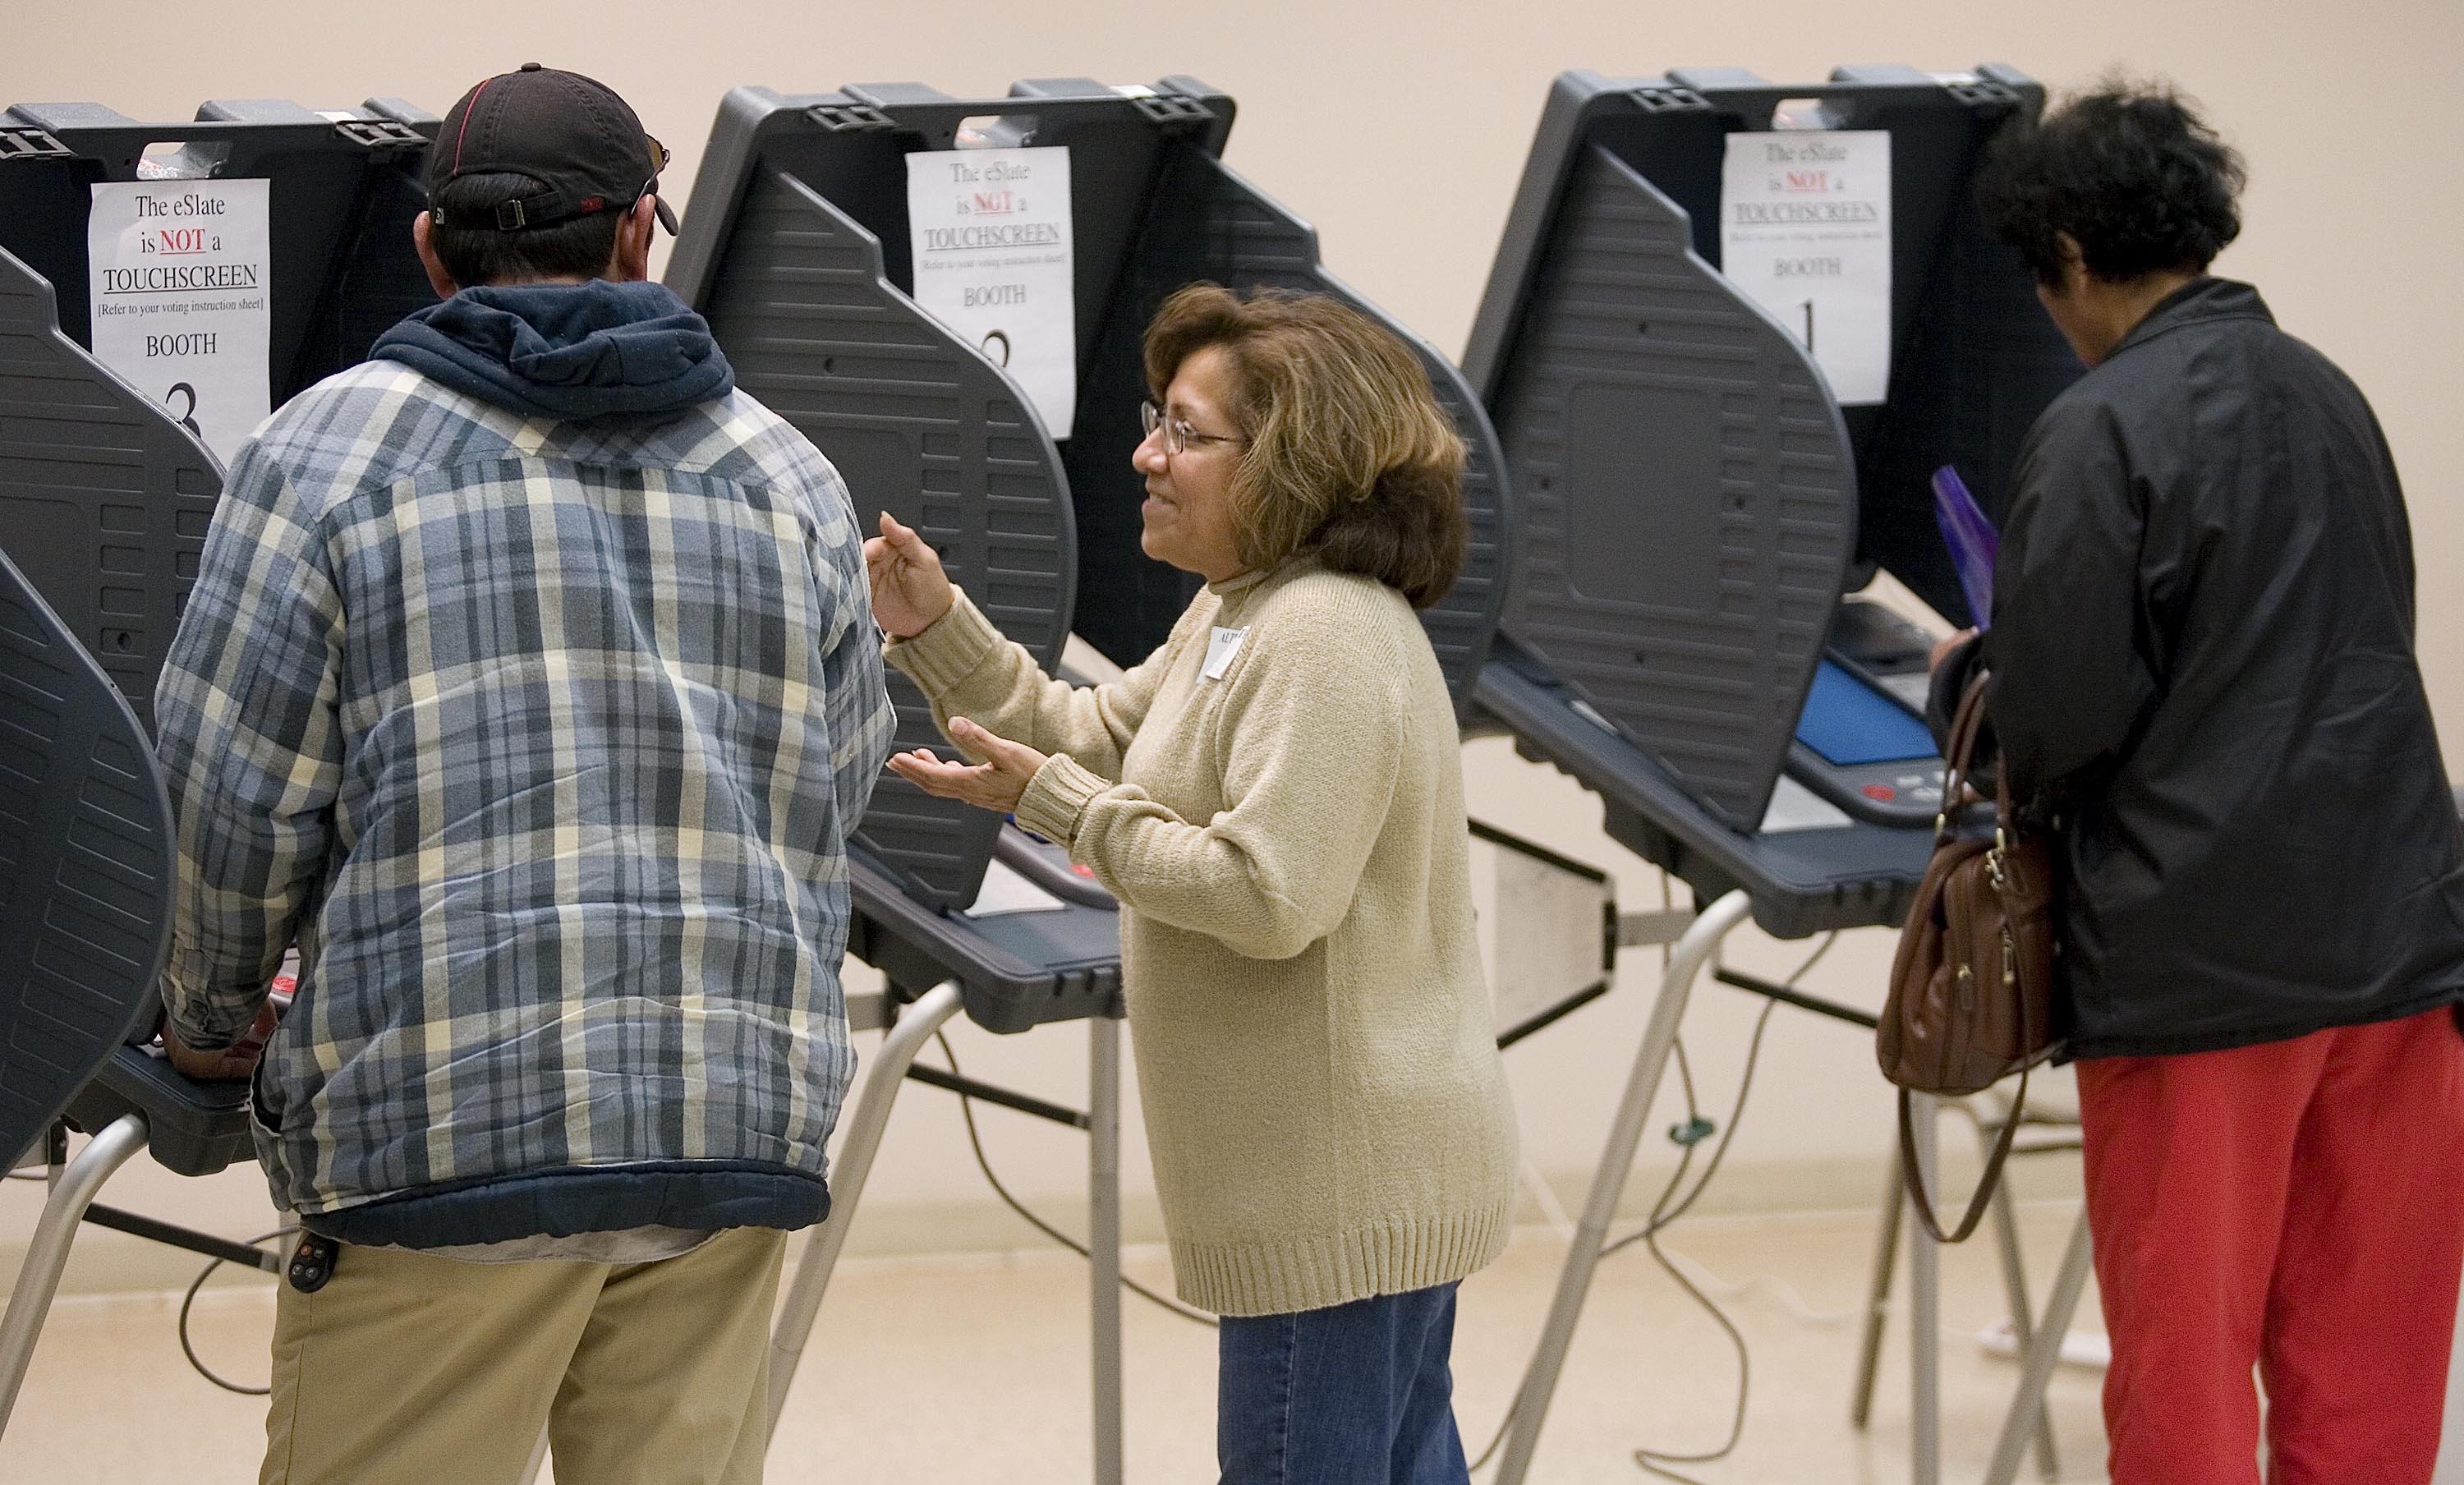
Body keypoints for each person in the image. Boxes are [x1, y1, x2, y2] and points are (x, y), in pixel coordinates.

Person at [153, 65, 894, 1485]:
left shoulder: (318, 458)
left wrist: (209, 1021)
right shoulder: (785, 472)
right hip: (723, 1131)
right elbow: (840, 781)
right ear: (638, 239)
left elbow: (228, 802)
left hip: (438, 1142)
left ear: (431, 251)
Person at [865, 283, 1518, 1483]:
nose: (1145, 456)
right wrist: (935, 624)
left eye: (1184, 430)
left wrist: (1054, 808)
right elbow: (1087, 731)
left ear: (1293, 461)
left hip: (1336, 1196)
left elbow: (1270, 896)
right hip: (1347, 1182)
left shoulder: (1319, 634)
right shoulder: (1241, 610)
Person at [1933, 82, 2464, 1484]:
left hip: (2203, 975)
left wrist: (1966, 681)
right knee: (2368, 1373)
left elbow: (2056, 727)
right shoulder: (2329, 390)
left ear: (2072, 252)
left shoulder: (2101, 430)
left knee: (2187, 1385)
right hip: (2406, 951)